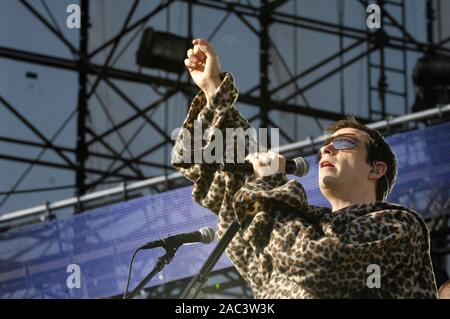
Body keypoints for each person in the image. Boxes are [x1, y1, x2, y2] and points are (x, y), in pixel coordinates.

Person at [172, 38, 438, 298]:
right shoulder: (295, 225)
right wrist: (213, 92)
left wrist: (270, 185)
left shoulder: (399, 225)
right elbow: (210, 173)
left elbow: (317, 264)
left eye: (344, 143)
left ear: (376, 169)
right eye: (324, 146)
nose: (326, 149)